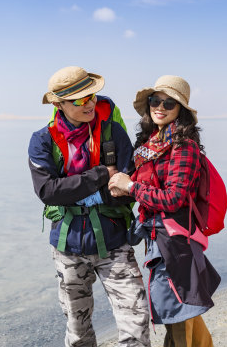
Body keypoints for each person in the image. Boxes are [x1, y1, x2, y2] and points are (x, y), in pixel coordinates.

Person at [28, 66, 150, 347]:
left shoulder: (113, 133)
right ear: (59, 104)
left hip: (114, 242)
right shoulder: (42, 141)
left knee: (137, 320)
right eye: (80, 100)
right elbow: (48, 191)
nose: (90, 104)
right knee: (78, 329)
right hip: (67, 247)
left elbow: (129, 188)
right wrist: (101, 175)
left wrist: (80, 192)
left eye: (92, 96)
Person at [108, 75, 220, 347]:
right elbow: (133, 182)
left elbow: (174, 198)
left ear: (181, 110)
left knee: (177, 308)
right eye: (155, 101)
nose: (160, 107)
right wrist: (117, 181)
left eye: (169, 103)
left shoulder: (184, 148)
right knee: (181, 305)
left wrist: (131, 187)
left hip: (175, 242)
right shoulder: (148, 146)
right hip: (159, 238)